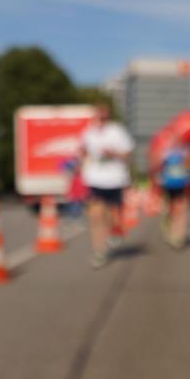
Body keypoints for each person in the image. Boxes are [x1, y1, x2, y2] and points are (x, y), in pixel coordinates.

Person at [81, 102, 134, 268]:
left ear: (108, 115)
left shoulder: (117, 131)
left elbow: (128, 155)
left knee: (112, 215)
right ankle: (99, 252)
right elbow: (84, 152)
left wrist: (114, 153)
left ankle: (115, 229)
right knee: (95, 215)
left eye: (104, 114)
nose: (101, 118)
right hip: (95, 180)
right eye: (98, 114)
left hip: (115, 180)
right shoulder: (88, 133)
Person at [157, 132, 190, 249]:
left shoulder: (186, 151)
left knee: (181, 210)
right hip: (169, 185)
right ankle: (170, 227)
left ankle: (178, 236)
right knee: (172, 210)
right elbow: (159, 166)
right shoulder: (166, 152)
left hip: (183, 185)